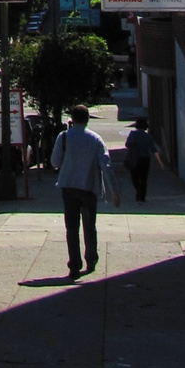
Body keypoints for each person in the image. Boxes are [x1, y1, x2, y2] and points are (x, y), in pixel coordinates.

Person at [50, 104, 111, 278]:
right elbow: (106, 165)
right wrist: (114, 192)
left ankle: (74, 265)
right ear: (87, 119)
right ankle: (91, 259)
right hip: (89, 187)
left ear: (72, 119)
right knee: (89, 226)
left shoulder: (63, 137)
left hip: (68, 187)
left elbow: (54, 162)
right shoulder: (96, 139)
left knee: (72, 228)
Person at [123, 116, 163, 203]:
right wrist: (160, 163)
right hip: (145, 160)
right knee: (144, 179)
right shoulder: (148, 136)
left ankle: (138, 190)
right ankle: (142, 197)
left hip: (134, 159)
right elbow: (154, 150)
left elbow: (127, 145)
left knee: (134, 177)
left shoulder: (132, 134)